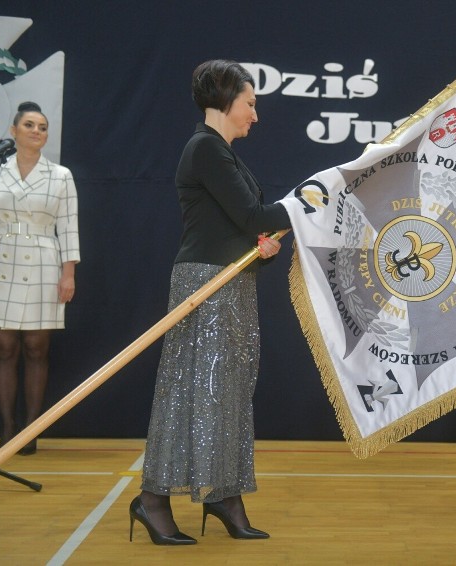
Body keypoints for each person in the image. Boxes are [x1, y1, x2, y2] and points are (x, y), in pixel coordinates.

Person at [129, 60, 292, 546]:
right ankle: (153, 498)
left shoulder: (223, 153)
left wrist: (261, 248)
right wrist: (318, 197)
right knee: (190, 391)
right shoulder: (206, 149)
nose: (255, 116)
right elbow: (251, 215)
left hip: (231, 280)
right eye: (250, 104)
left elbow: (244, 227)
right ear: (224, 100)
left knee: (229, 389)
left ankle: (223, 492)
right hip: (205, 284)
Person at [0, 101, 80, 456]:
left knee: (37, 348)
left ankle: (31, 427)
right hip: (0, 261)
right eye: (29, 125)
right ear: (13, 131)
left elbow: (68, 228)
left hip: (43, 262)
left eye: (42, 127)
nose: (36, 131)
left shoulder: (60, 175)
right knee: (3, 348)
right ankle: (8, 426)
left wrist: (68, 273)